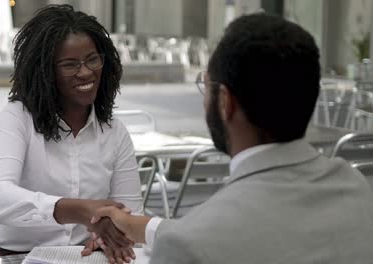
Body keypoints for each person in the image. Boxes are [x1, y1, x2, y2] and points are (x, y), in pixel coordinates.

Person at [91, 13, 373, 263]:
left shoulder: (190, 246)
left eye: (206, 84)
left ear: (225, 101)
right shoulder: (357, 189)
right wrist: (138, 225)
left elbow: (215, 235)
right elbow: (267, 228)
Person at [0, 4, 142, 264]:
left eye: (92, 59)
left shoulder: (114, 132)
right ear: (44, 71)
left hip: (88, 256)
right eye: (70, 64)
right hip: (20, 258)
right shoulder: (17, 118)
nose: (86, 72)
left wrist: (110, 236)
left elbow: (130, 212)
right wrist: (78, 210)